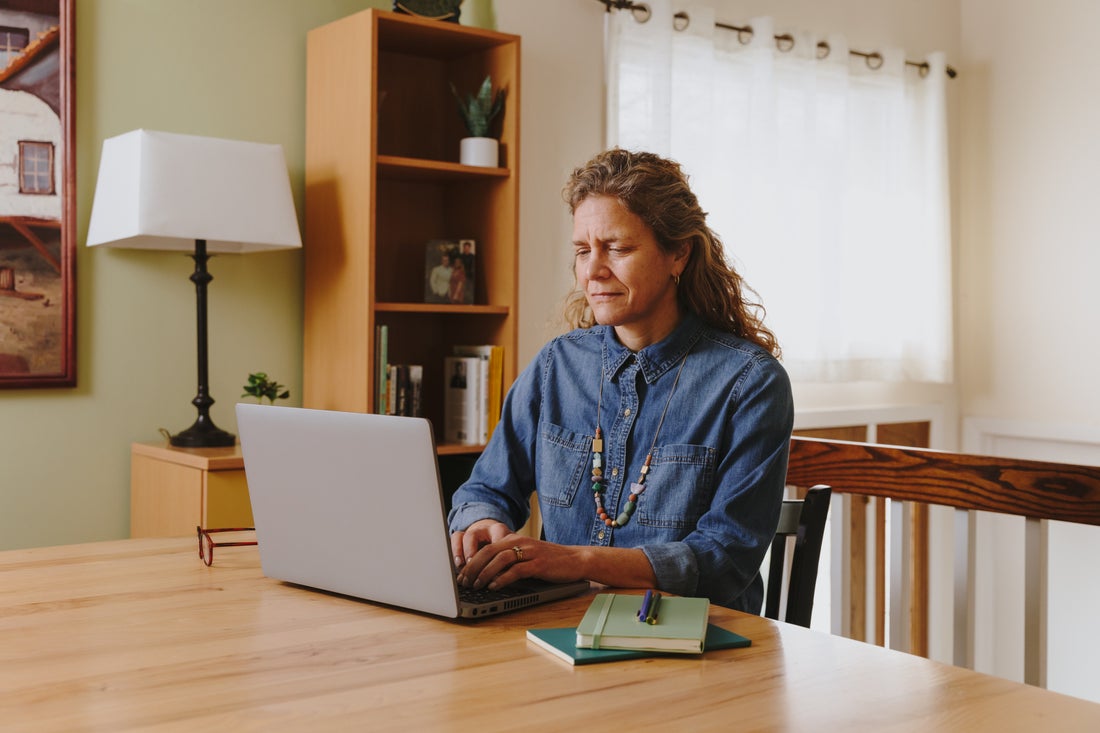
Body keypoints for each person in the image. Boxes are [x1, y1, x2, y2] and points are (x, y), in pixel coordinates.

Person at [448, 148, 793, 612]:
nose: (592, 271)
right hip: (561, 630)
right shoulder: (557, 365)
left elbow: (723, 558)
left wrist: (577, 561)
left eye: (618, 248)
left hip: (694, 645)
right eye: (583, 250)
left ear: (679, 253)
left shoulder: (749, 383)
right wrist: (481, 524)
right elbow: (486, 488)